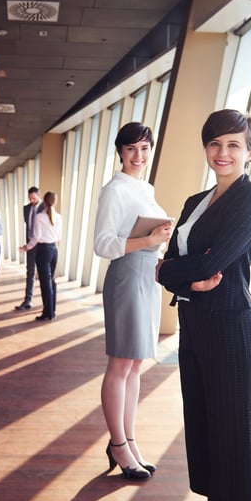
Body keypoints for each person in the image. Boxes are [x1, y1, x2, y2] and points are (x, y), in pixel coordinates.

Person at [156, 109, 251, 501]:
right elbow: (167, 268)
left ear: (249, 152)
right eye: (215, 144)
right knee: (207, 437)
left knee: (233, 440)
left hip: (230, 332)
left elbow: (210, 264)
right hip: (195, 330)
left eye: (233, 145)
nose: (222, 153)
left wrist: (183, 274)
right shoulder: (194, 201)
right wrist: (181, 277)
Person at [93, 122, 172, 481]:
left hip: (145, 276)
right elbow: (103, 244)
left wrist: (159, 243)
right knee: (120, 364)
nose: (138, 156)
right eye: (131, 149)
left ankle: (130, 440)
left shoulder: (145, 187)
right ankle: (118, 444)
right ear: (120, 151)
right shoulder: (115, 190)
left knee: (136, 363)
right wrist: (147, 240)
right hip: (126, 275)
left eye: (144, 148)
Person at [19, 191, 61, 321]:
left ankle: (47, 313)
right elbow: (59, 236)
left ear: (43, 200)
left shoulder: (39, 217)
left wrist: (27, 247)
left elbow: (36, 237)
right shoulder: (59, 217)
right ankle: (52, 310)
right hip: (54, 249)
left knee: (45, 282)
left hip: (43, 251)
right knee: (52, 280)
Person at [15, 187, 42, 310]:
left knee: (44, 275)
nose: (32, 200)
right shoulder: (26, 208)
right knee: (30, 273)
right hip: (30, 244)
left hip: (42, 245)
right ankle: (28, 300)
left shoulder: (45, 209)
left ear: (39, 195)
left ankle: (47, 304)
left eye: (34, 198)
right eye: (30, 198)